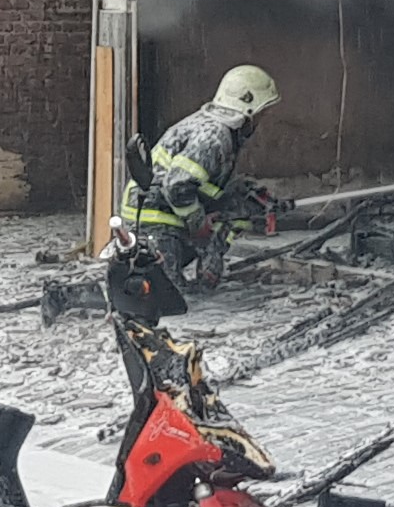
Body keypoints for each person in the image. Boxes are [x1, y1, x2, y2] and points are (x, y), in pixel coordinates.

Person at [108, 64, 281, 323]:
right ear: (247, 109)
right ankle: (80, 298)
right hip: (157, 222)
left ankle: (201, 273)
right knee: (168, 303)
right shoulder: (214, 138)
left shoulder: (214, 130)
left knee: (162, 293)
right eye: (261, 113)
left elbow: (201, 185)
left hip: (164, 217)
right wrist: (199, 224)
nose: (262, 121)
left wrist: (240, 194)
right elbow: (178, 186)